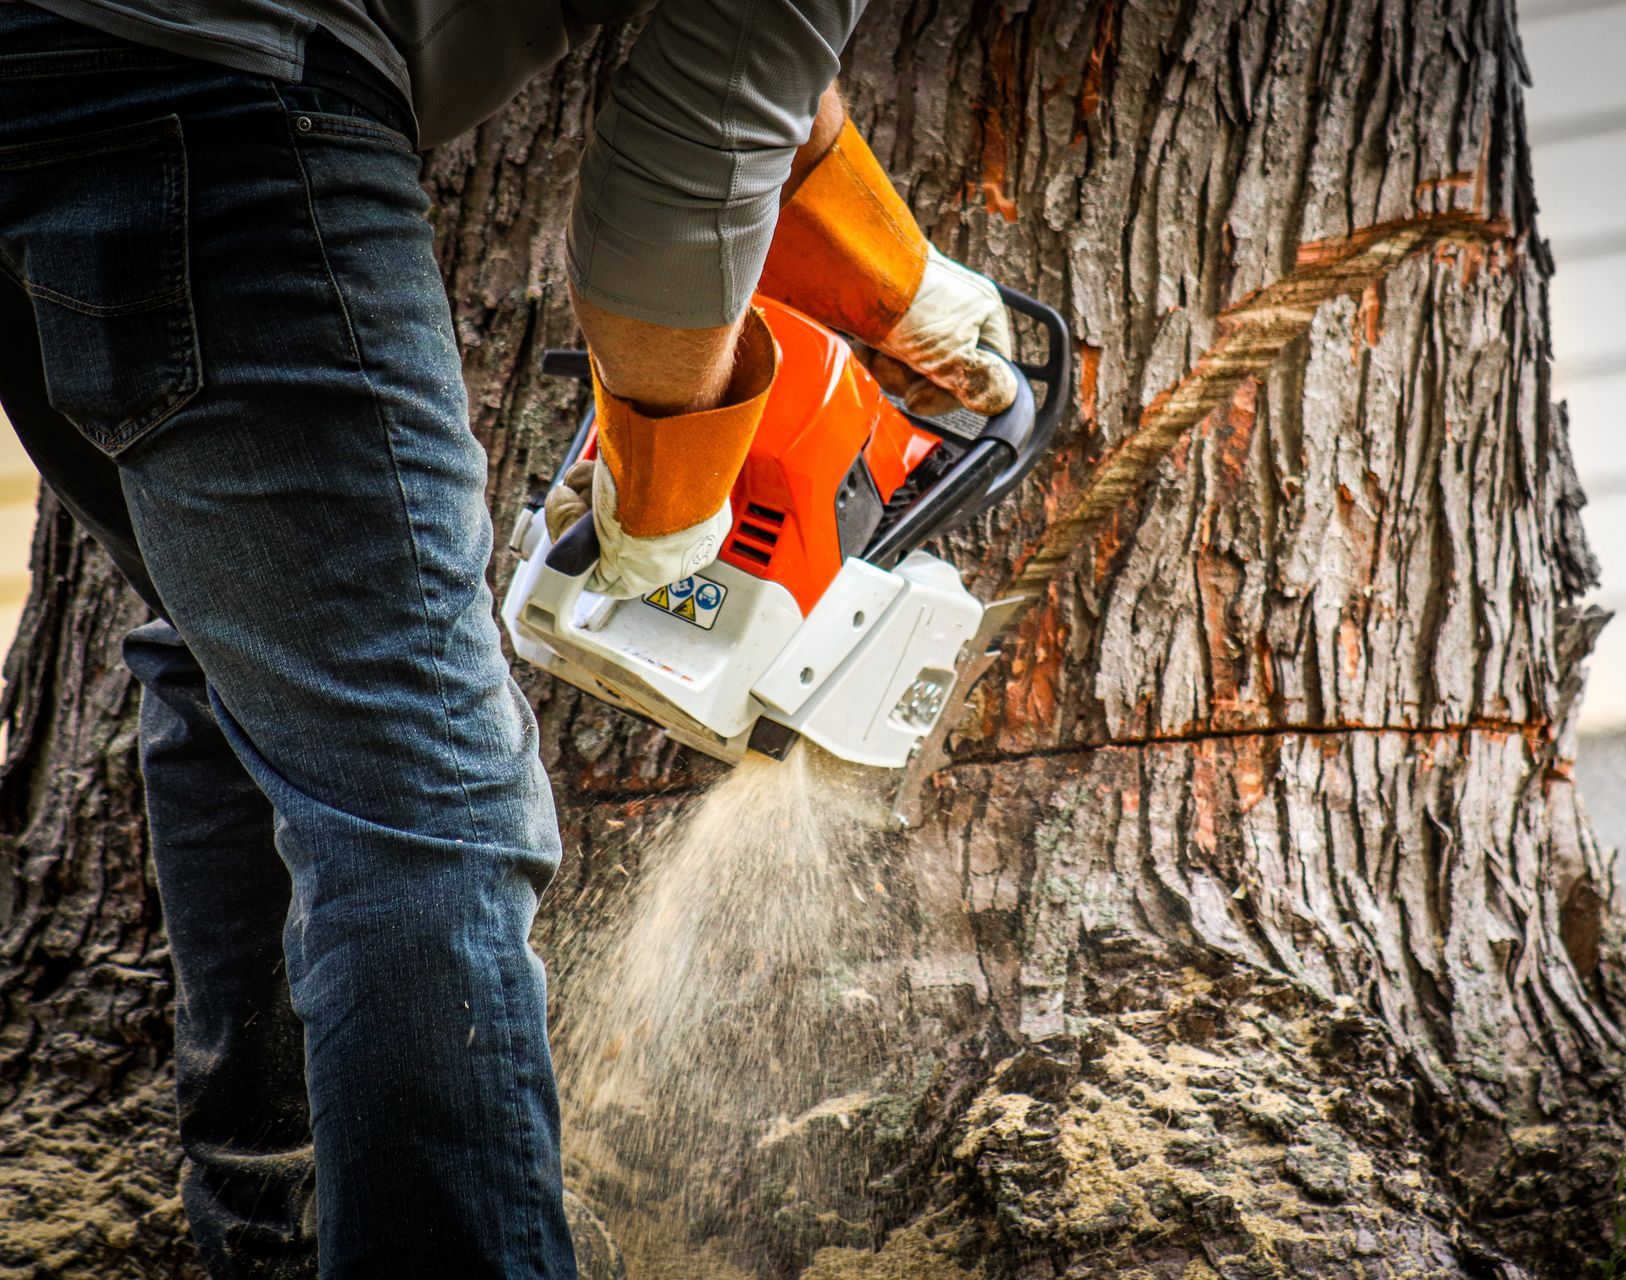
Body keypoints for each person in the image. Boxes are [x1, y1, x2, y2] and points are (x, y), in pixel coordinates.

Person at [0, 1, 1015, 1275]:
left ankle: (277, 1234)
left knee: (236, 654)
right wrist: (668, 493)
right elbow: (673, 187)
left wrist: (896, 281)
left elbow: (749, 75)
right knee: (425, 803)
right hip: (217, 92)